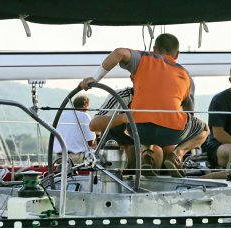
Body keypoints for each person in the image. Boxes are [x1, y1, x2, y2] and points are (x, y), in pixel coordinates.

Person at [80, 33, 209, 177]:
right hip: (170, 131)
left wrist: (95, 78)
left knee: (145, 125)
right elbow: (189, 115)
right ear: (177, 54)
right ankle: (177, 155)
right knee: (204, 129)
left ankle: (147, 154)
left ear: (154, 49)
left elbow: (119, 52)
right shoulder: (186, 76)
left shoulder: (144, 59)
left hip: (137, 129)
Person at [89, 87, 174, 176]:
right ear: (133, 78)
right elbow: (93, 125)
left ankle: (162, 184)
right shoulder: (122, 96)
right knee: (154, 151)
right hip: (115, 152)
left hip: (144, 145)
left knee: (169, 149)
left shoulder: (162, 99)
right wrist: (123, 117)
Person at [53, 95, 96, 164]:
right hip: (76, 158)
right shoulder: (84, 116)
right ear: (86, 105)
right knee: (98, 158)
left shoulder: (62, 115)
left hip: (59, 157)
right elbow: (90, 142)